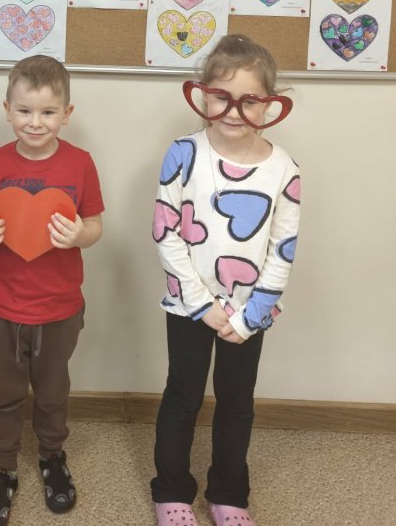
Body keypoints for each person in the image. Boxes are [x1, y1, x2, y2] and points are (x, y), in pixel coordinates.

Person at [150, 34, 300, 526]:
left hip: (248, 312)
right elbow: (166, 232)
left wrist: (250, 316)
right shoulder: (183, 153)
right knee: (183, 397)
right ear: (203, 95)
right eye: (222, 97)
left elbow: (282, 250)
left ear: (269, 103)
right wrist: (201, 304)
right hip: (189, 305)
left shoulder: (284, 169)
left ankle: (230, 494)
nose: (234, 111)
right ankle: (171, 489)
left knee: (237, 403)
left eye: (249, 100)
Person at [0, 55, 104, 524]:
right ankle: (4, 467)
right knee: (4, 393)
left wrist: (80, 235)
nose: (35, 122)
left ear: (66, 114)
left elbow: (95, 226)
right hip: (2, 306)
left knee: (52, 392)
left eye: (48, 112)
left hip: (60, 307)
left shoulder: (80, 163)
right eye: (25, 110)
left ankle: (52, 457)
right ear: (7, 110)